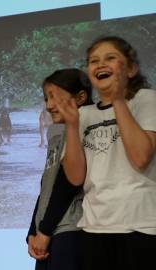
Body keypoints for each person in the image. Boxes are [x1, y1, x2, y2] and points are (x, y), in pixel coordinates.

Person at [56, 36, 156, 270]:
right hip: (95, 226)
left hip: (141, 224)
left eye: (110, 58)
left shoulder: (146, 99)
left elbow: (141, 158)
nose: (100, 64)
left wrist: (117, 99)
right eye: (93, 61)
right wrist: (71, 126)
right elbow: (75, 177)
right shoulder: (84, 114)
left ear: (130, 68)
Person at [27, 68, 93, 270]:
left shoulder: (89, 125)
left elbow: (69, 184)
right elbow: (48, 183)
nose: (48, 105)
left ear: (81, 97)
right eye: (46, 98)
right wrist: (33, 230)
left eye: (54, 97)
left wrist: (44, 231)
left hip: (71, 230)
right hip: (47, 232)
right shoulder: (56, 131)